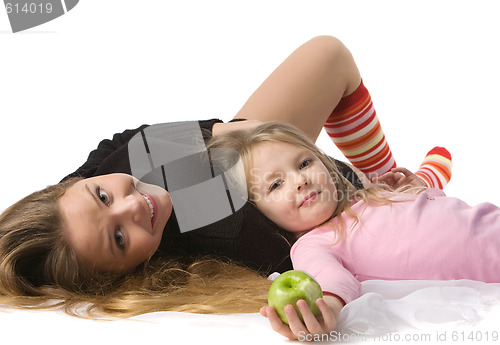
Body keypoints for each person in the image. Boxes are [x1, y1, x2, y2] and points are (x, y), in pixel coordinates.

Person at [0, 36, 451, 317]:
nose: (134, 205)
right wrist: (366, 195)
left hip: (227, 152)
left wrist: (224, 131)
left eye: (101, 195)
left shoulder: (106, 175)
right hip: (291, 199)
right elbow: (317, 231)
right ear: (122, 273)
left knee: (327, 53)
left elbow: (121, 142)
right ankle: (409, 192)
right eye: (119, 238)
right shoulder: (230, 235)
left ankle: (386, 174)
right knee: (359, 202)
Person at [207, 121, 499, 340]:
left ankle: (427, 177)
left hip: (488, 219)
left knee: (408, 187)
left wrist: (422, 191)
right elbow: (334, 280)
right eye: (275, 184)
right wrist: (327, 309)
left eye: (305, 163)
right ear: (262, 215)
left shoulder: (366, 196)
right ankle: (430, 174)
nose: (299, 181)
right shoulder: (313, 244)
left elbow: (441, 213)